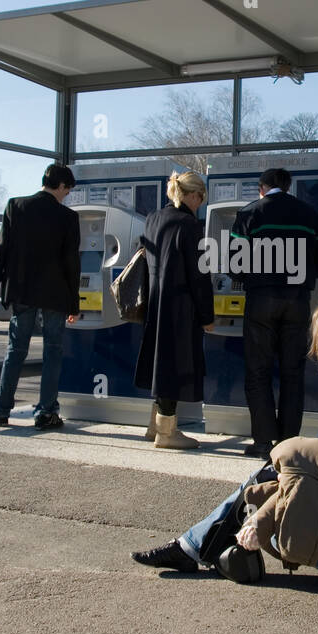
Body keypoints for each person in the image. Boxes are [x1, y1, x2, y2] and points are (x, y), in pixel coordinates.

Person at [133, 294, 318, 617]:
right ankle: (191, 547)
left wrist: (303, 480)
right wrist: (293, 464)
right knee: (263, 478)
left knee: (297, 527)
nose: (316, 345)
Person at [232, 168, 318, 459]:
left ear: (262, 188)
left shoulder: (249, 213)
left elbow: (235, 266)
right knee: (292, 372)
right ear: (288, 186)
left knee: (258, 371)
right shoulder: (311, 215)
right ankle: (288, 444)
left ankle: (263, 442)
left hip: (261, 299)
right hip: (297, 301)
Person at [0, 162, 81, 429]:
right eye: (67, 191)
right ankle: (46, 412)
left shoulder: (16, 207)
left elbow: (0, 252)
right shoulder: (68, 218)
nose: (66, 195)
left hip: (22, 291)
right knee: (53, 352)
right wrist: (74, 303)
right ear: (60, 186)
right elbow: (72, 264)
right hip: (56, 296)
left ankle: (0, 410)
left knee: (16, 351)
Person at [134, 170, 215, 450]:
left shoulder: (153, 219)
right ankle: (167, 433)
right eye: (200, 199)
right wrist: (208, 316)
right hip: (180, 307)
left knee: (160, 362)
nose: (200, 204)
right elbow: (200, 276)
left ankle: (153, 426)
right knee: (172, 366)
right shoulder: (190, 226)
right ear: (192, 195)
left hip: (155, 302)